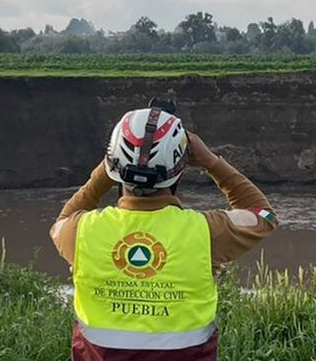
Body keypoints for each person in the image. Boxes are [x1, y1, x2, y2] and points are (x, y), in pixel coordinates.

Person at [50, 106, 278, 360]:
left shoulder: (80, 232)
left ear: (114, 165)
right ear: (180, 170)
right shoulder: (206, 233)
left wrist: (105, 172)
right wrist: (210, 161)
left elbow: (61, 221)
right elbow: (264, 215)